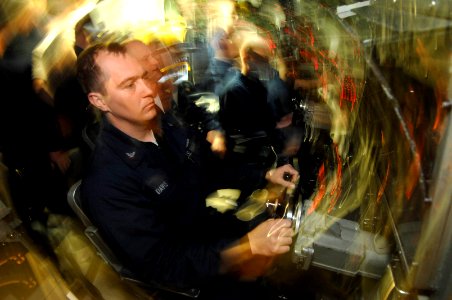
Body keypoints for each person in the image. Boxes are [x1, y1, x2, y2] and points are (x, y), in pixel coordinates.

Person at [77, 41, 299, 299]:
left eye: (144, 78)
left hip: (210, 230)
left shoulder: (165, 124)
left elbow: (209, 168)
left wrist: (265, 176)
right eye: (129, 85)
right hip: (196, 276)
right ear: (99, 100)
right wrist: (247, 247)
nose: (148, 89)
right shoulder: (107, 181)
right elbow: (165, 265)